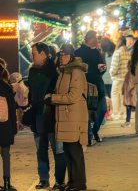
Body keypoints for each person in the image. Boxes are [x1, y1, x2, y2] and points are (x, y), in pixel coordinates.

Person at [45, 44, 88, 191]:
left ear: (70, 56)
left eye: (64, 55)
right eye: (60, 55)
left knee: (75, 152)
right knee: (69, 151)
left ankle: (80, 183)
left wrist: (53, 98)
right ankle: (73, 182)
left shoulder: (76, 71)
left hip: (73, 117)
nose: (61, 57)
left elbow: (73, 96)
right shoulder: (64, 71)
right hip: (66, 117)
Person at [27, 42, 66, 189]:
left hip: (52, 116)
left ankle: (59, 181)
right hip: (37, 116)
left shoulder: (54, 71)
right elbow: (31, 92)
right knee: (40, 150)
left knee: (58, 149)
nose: (32, 57)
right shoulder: (32, 71)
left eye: (34, 54)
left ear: (43, 54)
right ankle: (44, 179)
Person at [75, 30, 107, 145]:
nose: (97, 40)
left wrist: (102, 68)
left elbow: (102, 66)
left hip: (98, 84)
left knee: (102, 108)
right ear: (90, 38)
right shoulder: (78, 52)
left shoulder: (97, 52)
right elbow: (79, 69)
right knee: (87, 112)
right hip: (86, 85)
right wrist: (95, 68)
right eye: (96, 38)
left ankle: (94, 131)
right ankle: (88, 136)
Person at [0, 63, 17, 191]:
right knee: (6, 155)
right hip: (5, 125)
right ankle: (7, 183)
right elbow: (12, 110)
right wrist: (13, 128)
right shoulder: (7, 88)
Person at [109, 36, 131, 120]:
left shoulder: (117, 52)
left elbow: (114, 66)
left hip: (118, 77)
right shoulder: (127, 52)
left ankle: (115, 114)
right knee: (122, 96)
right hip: (126, 78)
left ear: (119, 42)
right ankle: (122, 113)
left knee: (114, 94)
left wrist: (111, 74)